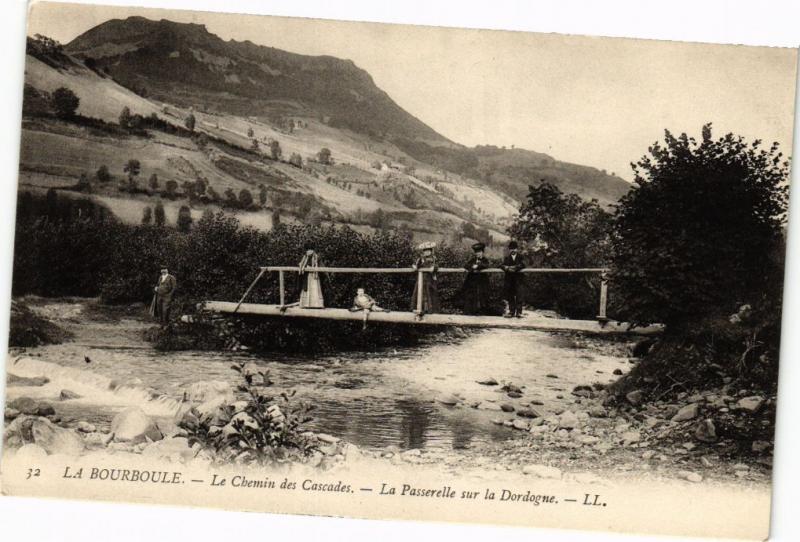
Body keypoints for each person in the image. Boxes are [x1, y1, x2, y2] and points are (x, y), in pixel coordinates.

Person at [411, 241, 440, 317]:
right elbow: (415, 265)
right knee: (420, 292)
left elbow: (436, 265)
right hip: (421, 279)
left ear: (431, 251)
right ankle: (420, 309)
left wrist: (434, 268)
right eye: (425, 251)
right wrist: (415, 267)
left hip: (430, 279)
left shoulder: (434, 258)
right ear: (423, 252)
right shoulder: (420, 259)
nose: (427, 252)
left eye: (428, 250)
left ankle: (430, 310)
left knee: (429, 293)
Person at [462, 242, 491, 315]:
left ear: (482, 252)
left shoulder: (485, 260)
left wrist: (477, 266)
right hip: (472, 282)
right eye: (477, 252)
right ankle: (471, 312)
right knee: (471, 296)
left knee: (482, 296)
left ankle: (481, 312)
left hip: (482, 282)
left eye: (480, 252)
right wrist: (472, 266)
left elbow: (486, 265)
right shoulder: (473, 260)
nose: (478, 254)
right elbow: (466, 265)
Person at [501, 241, 526, 318]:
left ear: (517, 249)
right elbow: (501, 265)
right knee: (510, 296)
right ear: (509, 250)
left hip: (518, 280)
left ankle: (519, 312)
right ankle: (512, 312)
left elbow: (523, 264)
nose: (513, 250)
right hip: (510, 280)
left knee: (519, 296)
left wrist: (515, 268)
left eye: (514, 249)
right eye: (511, 249)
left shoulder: (521, 257)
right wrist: (506, 268)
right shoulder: (507, 258)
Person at [296, 244, 325, 308]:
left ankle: (315, 304)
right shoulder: (306, 257)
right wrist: (303, 266)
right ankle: (307, 304)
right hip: (308, 275)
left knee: (314, 288)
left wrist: (307, 267)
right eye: (308, 250)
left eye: (311, 250)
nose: (310, 251)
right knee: (309, 289)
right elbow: (302, 264)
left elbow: (320, 266)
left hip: (314, 275)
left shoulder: (315, 257)